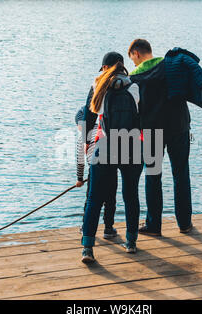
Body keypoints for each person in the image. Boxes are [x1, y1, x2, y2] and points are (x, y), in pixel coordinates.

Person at [127, 39, 202, 236]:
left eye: (132, 59)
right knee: (181, 174)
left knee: (153, 177)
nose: (133, 64)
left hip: (151, 132)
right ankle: (185, 223)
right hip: (178, 126)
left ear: (136, 54)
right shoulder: (171, 66)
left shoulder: (135, 78)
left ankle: (154, 225)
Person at [81, 52, 143, 263]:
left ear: (105, 67)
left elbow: (88, 119)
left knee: (94, 199)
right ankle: (131, 242)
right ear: (123, 67)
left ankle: (87, 248)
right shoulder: (133, 86)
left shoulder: (98, 86)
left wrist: (88, 146)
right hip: (131, 146)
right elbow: (140, 117)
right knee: (131, 195)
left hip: (105, 146)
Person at [75, 106, 118, 239]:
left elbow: (80, 160)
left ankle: (85, 227)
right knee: (110, 199)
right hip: (111, 164)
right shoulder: (103, 127)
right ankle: (108, 229)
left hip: (94, 168)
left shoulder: (82, 137)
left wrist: (80, 178)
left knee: (91, 199)